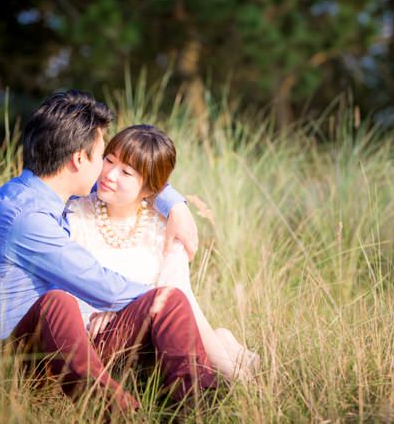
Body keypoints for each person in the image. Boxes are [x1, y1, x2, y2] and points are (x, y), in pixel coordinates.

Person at [0, 89, 220, 413]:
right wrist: (144, 307)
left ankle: (195, 406)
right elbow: (104, 287)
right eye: (103, 157)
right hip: (2, 366)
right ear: (79, 159)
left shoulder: (48, 193)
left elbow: (139, 180)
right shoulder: (28, 219)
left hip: (61, 347)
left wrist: (176, 206)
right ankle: (121, 413)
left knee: (167, 300)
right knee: (58, 304)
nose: (106, 172)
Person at [66, 124, 257, 381]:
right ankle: (223, 350)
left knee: (176, 320)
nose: (109, 174)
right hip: (89, 337)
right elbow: (62, 284)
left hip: (148, 342)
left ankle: (222, 375)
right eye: (109, 160)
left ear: (150, 189)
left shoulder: (164, 230)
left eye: (126, 172)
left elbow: (181, 301)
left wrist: (238, 378)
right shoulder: (75, 215)